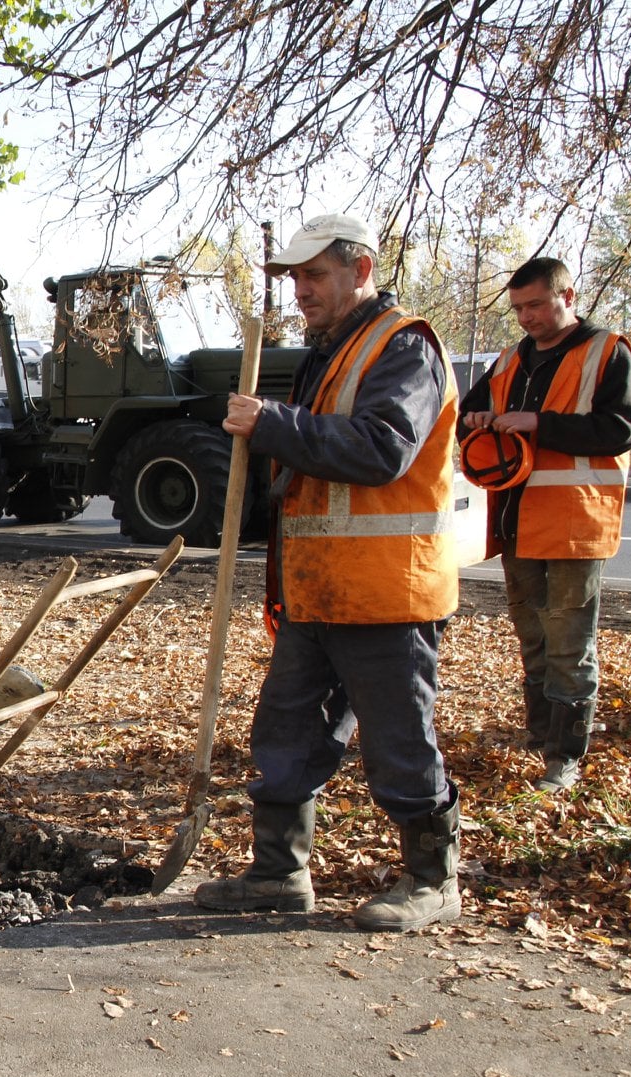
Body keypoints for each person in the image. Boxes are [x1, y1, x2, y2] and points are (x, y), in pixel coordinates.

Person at [193, 213, 464, 932]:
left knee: (399, 739)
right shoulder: (333, 351)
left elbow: (382, 451)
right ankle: (280, 873)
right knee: (285, 731)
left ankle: (434, 880)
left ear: (361, 270)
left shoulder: (404, 349)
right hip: (321, 593)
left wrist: (274, 423)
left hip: (387, 592)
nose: (302, 291)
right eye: (295, 279)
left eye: (315, 276)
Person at [458, 258, 631, 792]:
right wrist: (474, 420)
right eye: (518, 308)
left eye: (536, 305)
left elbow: (622, 429)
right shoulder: (511, 359)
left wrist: (539, 423)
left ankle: (565, 755)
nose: (526, 318)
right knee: (534, 637)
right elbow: (471, 413)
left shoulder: (606, 352)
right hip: (519, 524)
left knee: (568, 643)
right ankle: (541, 737)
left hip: (574, 524)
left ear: (568, 295)